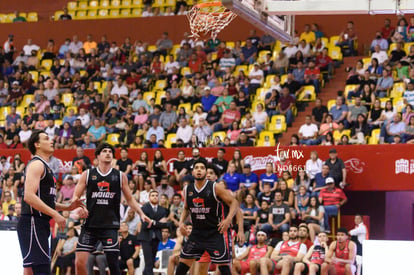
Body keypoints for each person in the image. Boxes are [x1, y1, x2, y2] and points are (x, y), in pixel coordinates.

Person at [73, 143, 150, 275]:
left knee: (113, 264)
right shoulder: (87, 174)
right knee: (79, 262)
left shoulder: (120, 176)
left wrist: (141, 213)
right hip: (90, 224)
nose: (108, 153)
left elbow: (130, 199)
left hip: (110, 226)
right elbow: (75, 196)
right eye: (104, 151)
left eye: (110, 151)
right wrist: (79, 207)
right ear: (98, 156)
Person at [17, 130, 84, 275]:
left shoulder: (45, 166)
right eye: (46, 139)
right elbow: (29, 196)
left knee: (30, 269)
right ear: (37, 144)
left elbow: (45, 200)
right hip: (32, 222)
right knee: (41, 270)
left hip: (38, 223)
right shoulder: (37, 165)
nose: (51, 141)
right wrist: (56, 214)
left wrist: (67, 206)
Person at [175, 158, 239, 275]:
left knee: (224, 268)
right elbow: (186, 208)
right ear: (192, 172)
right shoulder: (187, 189)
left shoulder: (215, 187)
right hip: (197, 233)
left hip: (214, 233)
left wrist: (228, 219)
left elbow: (234, 202)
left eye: (202, 168)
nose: (199, 170)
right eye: (196, 168)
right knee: (182, 266)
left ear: (205, 172)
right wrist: (181, 222)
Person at [137, 190, 169, 275]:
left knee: (151, 261)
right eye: (152, 195)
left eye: (156, 195)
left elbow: (165, 225)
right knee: (149, 262)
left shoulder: (162, 210)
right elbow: (145, 224)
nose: (155, 197)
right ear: (149, 197)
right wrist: (157, 222)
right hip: (146, 237)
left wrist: (152, 222)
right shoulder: (144, 208)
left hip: (156, 237)